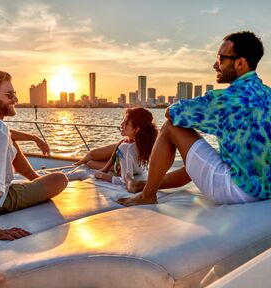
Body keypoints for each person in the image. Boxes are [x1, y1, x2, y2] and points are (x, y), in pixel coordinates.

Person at [118, 31, 271, 206]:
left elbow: (172, 113)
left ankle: (147, 195)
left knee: (171, 127)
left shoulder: (225, 100)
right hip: (266, 189)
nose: (215, 64)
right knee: (202, 155)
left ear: (240, 63)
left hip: (239, 191)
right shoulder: (267, 94)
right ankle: (141, 184)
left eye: (221, 58)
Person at [0, 69, 68, 241]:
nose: (15, 99)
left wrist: (34, 137)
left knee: (10, 139)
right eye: (10, 95)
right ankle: (35, 180)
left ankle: (33, 178)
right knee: (59, 180)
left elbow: (7, 134)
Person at [76, 107, 158, 186]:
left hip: (125, 167)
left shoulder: (126, 147)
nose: (121, 124)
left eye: (126, 122)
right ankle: (113, 166)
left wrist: (102, 175)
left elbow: (125, 181)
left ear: (136, 129)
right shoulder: (146, 141)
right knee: (92, 158)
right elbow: (117, 154)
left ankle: (74, 166)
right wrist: (105, 168)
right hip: (137, 170)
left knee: (90, 159)